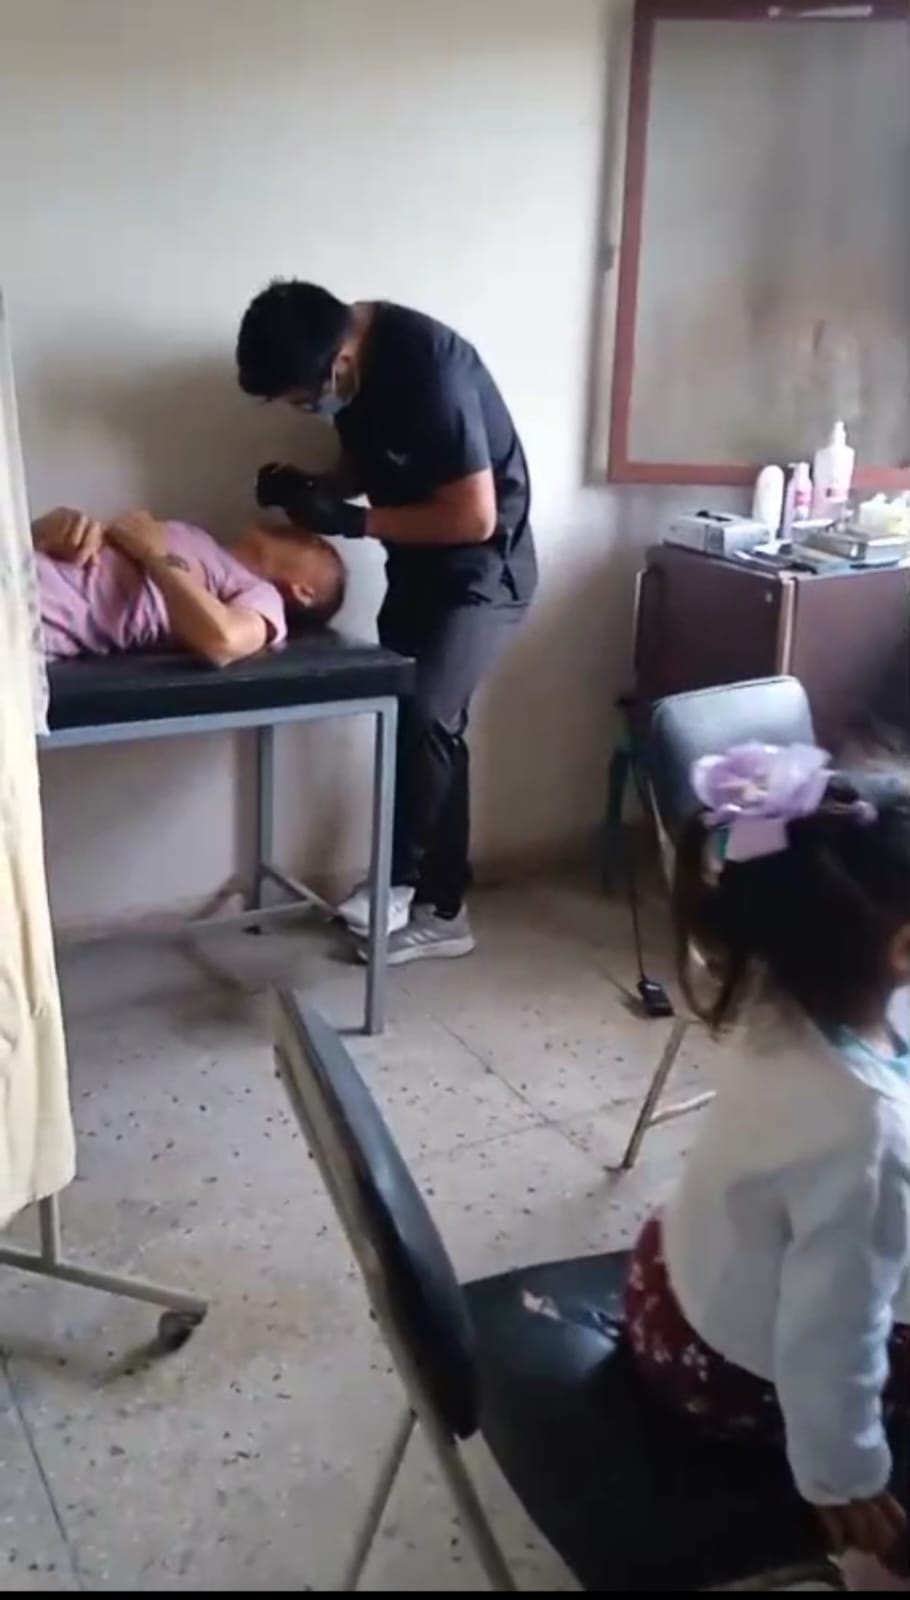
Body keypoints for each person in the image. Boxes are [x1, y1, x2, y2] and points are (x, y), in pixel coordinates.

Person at [620, 744, 909, 1583]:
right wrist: (844, 1473)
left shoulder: (789, 994)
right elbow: (832, 1336)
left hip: (667, 1278)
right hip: (727, 1377)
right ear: (901, 949)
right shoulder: (866, 1135)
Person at [236, 281, 537, 964]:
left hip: (485, 573)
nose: (309, 410)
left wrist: (354, 523)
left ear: (337, 362)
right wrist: (313, 488)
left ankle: (406, 888)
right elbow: (364, 463)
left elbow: (475, 517)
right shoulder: (349, 365)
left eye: (304, 400)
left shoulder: (430, 370)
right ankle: (440, 906)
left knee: (427, 713)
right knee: (425, 724)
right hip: (418, 569)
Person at [33, 505, 345, 666]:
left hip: (32, 617)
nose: (306, 535)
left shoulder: (263, 597)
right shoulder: (201, 538)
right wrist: (48, 530)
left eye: (318, 546)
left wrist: (154, 554)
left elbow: (222, 640)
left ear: (303, 592)